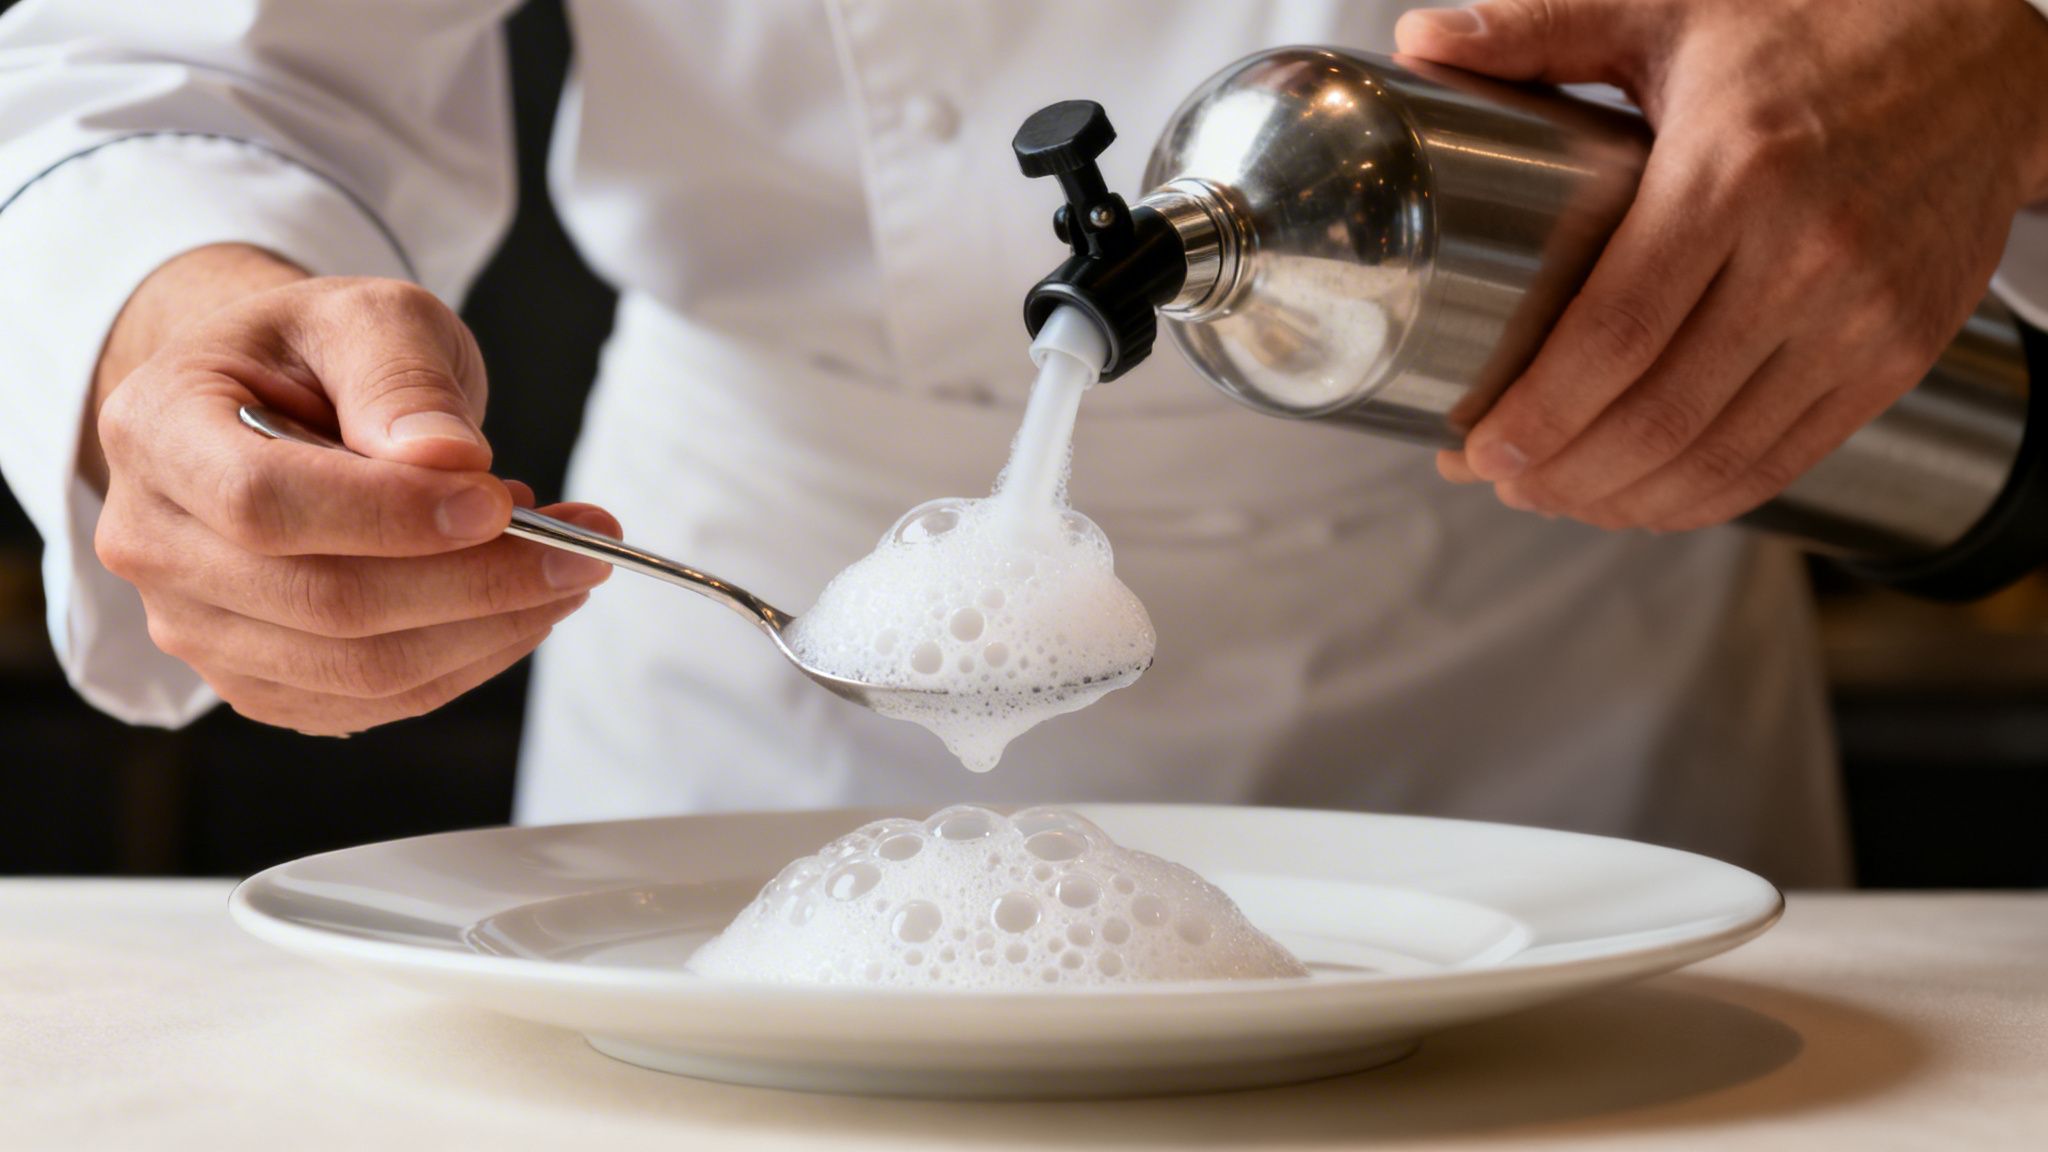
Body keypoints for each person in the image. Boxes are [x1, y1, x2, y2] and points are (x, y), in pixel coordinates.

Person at [1, 1, 2044, 888]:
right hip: (754, 727)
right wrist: (170, 321)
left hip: (1558, 671)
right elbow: (186, 80)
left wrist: (1993, 43)